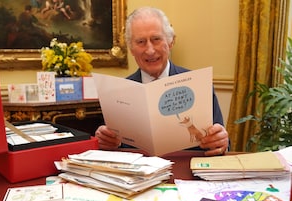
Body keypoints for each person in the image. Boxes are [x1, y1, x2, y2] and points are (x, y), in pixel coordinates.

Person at [94, 7, 229, 156]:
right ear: (131, 49)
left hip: (187, 172)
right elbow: (112, 149)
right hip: (139, 176)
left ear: (171, 42)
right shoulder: (118, 93)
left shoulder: (198, 85)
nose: (150, 50)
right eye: (141, 42)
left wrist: (221, 141)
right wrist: (105, 141)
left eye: (156, 39)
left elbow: (221, 143)